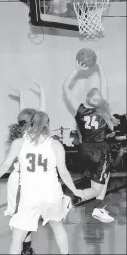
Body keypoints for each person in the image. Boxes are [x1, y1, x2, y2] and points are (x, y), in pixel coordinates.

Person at [0, 111, 83, 254]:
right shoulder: (55, 144)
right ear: (48, 125)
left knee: (17, 238)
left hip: (30, 195)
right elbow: (63, 172)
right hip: (51, 193)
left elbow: (6, 164)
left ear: (31, 123)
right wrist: (75, 190)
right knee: (58, 228)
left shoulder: (19, 142)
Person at [62, 57, 118, 223]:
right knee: (95, 189)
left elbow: (65, 88)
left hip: (84, 151)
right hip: (100, 151)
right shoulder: (102, 110)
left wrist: (76, 71)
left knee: (105, 176)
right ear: (99, 101)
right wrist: (100, 68)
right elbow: (105, 85)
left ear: (87, 99)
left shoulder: (80, 111)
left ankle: (99, 208)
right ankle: (72, 201)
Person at [5, 81, 45, 255]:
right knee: (25, 219)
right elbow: (39, 113)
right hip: (24, 183)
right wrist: (42, 92)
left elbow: (26, 116)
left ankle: (25, 249)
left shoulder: (22, 135)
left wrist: (22, 97)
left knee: (26, 219)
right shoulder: (32, 136)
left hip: (24, 181)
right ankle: (23, 249)